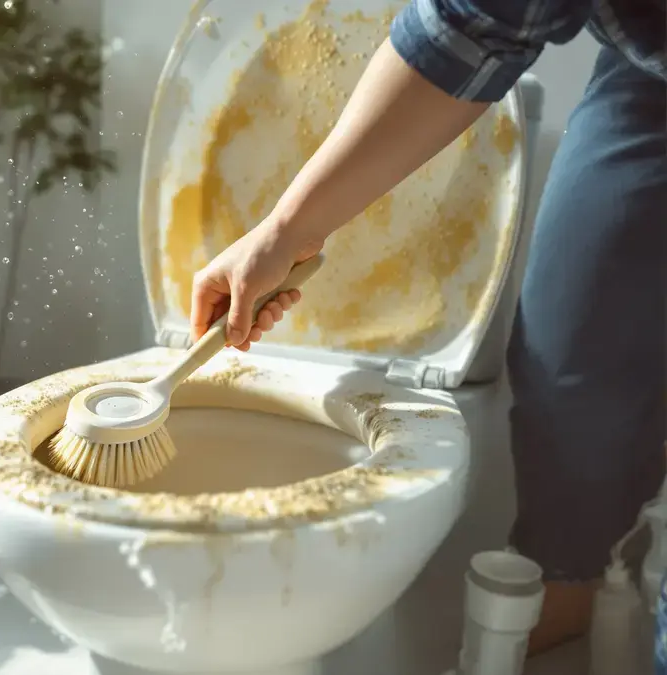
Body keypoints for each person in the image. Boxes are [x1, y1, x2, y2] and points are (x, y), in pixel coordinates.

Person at [189, 0, 666, 655]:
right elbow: (470, 30)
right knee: (567, 359)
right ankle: (565, 580)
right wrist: (285, 233)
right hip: (652, 65)